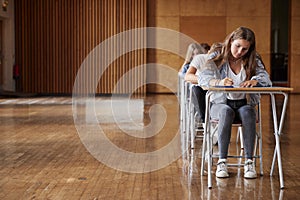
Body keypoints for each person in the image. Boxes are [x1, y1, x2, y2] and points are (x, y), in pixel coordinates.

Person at [198, 27, 272, 179]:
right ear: (231, 40)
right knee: (226, 111)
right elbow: (202, 78)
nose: (240, 51)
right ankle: (222, 161)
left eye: (245, 49)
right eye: (237, 46)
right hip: (220, 105)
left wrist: (255, 80)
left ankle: (249, 162)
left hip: (243, 103)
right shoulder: (217, 55)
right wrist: (219, 81)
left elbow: (266, 79)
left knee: (248, 112)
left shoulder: (253, 58)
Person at [185, 43, 222, 124]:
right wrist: (208, 81)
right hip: (202, 87)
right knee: (197, 90)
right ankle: (205, 120)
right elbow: (187, 76)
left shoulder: (224, 64)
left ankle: (213, 118)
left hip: (218, 91)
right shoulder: (201, 59)